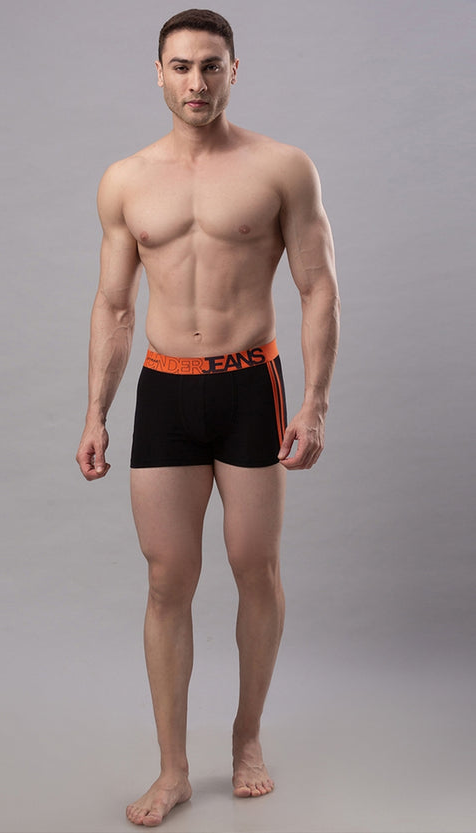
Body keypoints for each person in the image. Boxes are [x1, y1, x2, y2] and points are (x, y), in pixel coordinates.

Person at [76, 8, 340, 827]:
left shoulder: (281, 168)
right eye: (181, 66)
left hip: (248, 385)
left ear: (234, 70)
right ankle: (173, 769)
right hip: (165, 389)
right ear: (158, 73)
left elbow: (318, 287)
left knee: (254, 567)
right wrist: (95, 412)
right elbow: (114, 304)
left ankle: (246, 737)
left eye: (210, 66)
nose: (196, 82)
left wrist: (313, 402)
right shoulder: (125, 180)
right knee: (166, 581)